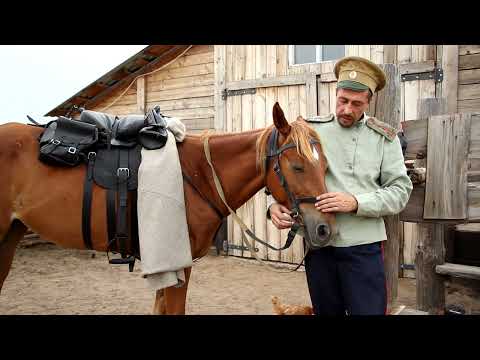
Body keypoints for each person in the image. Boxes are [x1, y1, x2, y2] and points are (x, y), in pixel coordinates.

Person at [267, 56, 413, 315]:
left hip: (362, 248)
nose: (347, 109)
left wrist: (356, 202)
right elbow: (285, 174)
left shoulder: (384, 139)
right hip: (318, 246)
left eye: (356, 104)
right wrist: (274, 206)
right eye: (342, 101)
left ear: (369, 101)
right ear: (335, 95)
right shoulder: (308, 130)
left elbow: (400, 192)